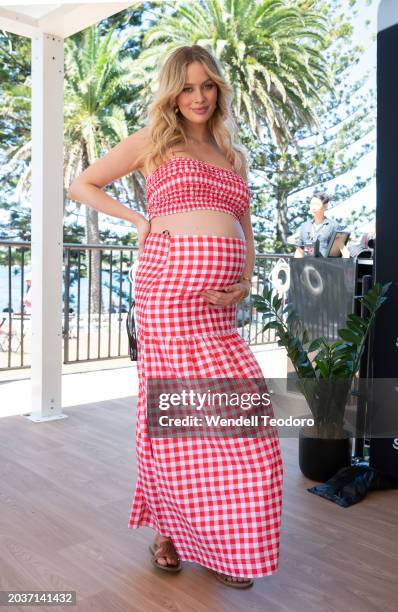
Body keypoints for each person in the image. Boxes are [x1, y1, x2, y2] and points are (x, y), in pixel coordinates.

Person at [68, 45, 283, 589]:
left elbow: (245, 228)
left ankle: (224, 542)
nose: (199, 97)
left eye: (207, 86)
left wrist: (243, 281)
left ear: (219, 90)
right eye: (187, 87)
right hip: (166, 292)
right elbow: (83, 184)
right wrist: (138, 221)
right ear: (172, 92)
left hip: (218, 310)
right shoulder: (155, 143)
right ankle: (170, 531)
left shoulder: (233, 155)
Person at [294, 192, 339, 257]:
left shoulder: (333, 226)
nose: (313, 207)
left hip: (327, 266)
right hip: (308, 266)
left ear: (325, 206)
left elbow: (340, 250)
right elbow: (300, 251)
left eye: (316, 204)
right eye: (311, 204)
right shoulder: (305, 227)